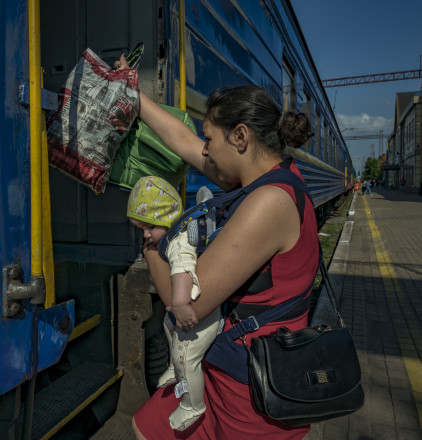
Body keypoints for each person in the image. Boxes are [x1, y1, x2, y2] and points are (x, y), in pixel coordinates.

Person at [115, 56, 318, 440]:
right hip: (225, 368)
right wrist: (135, 98)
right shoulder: (269, 176)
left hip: (252, 393)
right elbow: (181, 141)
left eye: (210, 138)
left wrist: (154, 242)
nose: (204, 151)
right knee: (146, 427)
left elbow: (189, 303)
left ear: (240, 137)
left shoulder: (269, 202)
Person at [126, 176, 221, 431]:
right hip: (190, 310)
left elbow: (181, 273)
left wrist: (179, 305)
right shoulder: (175, 232)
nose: (146, 235)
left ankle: (192, 406)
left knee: (186, 357)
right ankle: (173, 368)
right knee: (169, 327)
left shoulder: (178, 243)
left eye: (149, 228)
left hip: (197, 314)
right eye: (142, 229)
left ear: (166, 218)